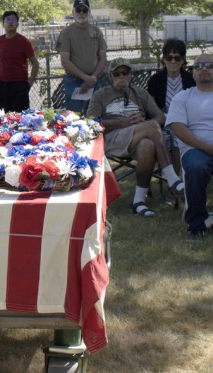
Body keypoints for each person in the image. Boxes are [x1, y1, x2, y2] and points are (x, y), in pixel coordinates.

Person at [87, 58, 184, 217]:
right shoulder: (101, 95)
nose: (121, 77)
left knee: (148, 145)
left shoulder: (139, 93)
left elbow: (160, 116)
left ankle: (138, 202)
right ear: (110, 76)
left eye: (125, 73)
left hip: (136, 138)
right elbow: (91, 122)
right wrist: (122, 123)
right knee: (151, 127)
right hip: (112, 139)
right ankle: (172, 178)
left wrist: (145, 126)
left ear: (131, 75)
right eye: (117, 73)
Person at [166, 54, 213, 241]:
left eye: (209, 65)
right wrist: (207, 147)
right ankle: (196, 225)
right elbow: (178, 127)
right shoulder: (183, 97)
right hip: (195, 150)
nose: (204, 69)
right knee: (195, 167)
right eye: (198, 66)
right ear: (193, 73)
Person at [147, 38, 196, 175]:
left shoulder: (191, 79)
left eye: (177, 58)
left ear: (183, 60)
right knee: (167, 137)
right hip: (163, 122)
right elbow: (150, 107)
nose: (173, 62)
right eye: (169, 57)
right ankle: (174, 181)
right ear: (164, 59)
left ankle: (175, 181)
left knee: (177, 136)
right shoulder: (155, 80)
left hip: (186, 122)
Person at [56, 0, 107, 114]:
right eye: (78, 10)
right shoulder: (66, 33)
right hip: (74, 81)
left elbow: (103, 58)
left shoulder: (96, 31)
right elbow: (65, 61)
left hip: (94, 81)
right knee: (75, 118)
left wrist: (92, 78)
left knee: (94, 117)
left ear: (89, 12)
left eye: (85, 10)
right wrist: (85, 78)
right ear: (73, 12)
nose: (81, 13)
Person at [0, 10, 39, 112]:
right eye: (7, 20)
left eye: (14, 20)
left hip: (20, 86)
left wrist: (30, 82)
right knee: (2, 119)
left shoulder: (24, 41)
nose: (11, 22)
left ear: (17, 24)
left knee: (20, 120)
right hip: (2, 85)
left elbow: (35, 63)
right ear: (3, 23)